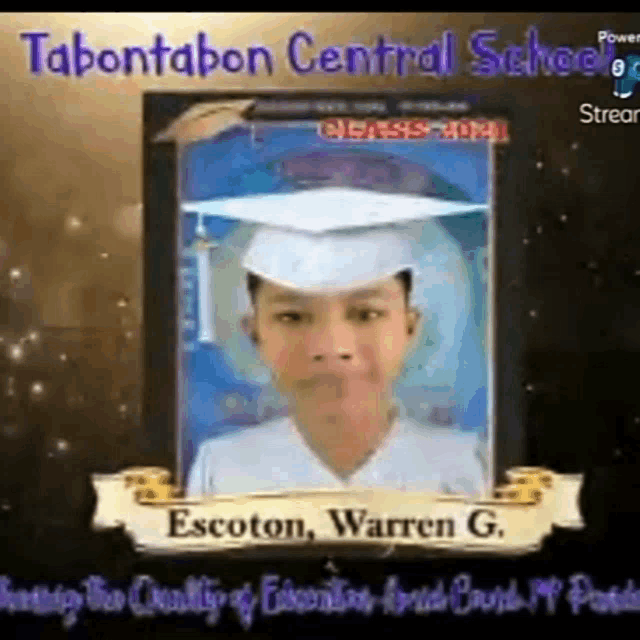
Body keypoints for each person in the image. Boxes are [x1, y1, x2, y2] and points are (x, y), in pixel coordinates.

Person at [185, 187, 488, 497]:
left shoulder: (467, 466)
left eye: (367, 314)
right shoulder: (221, 470)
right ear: (253, 334)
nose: (333, 347)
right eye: (293, 317)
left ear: (410, 327)